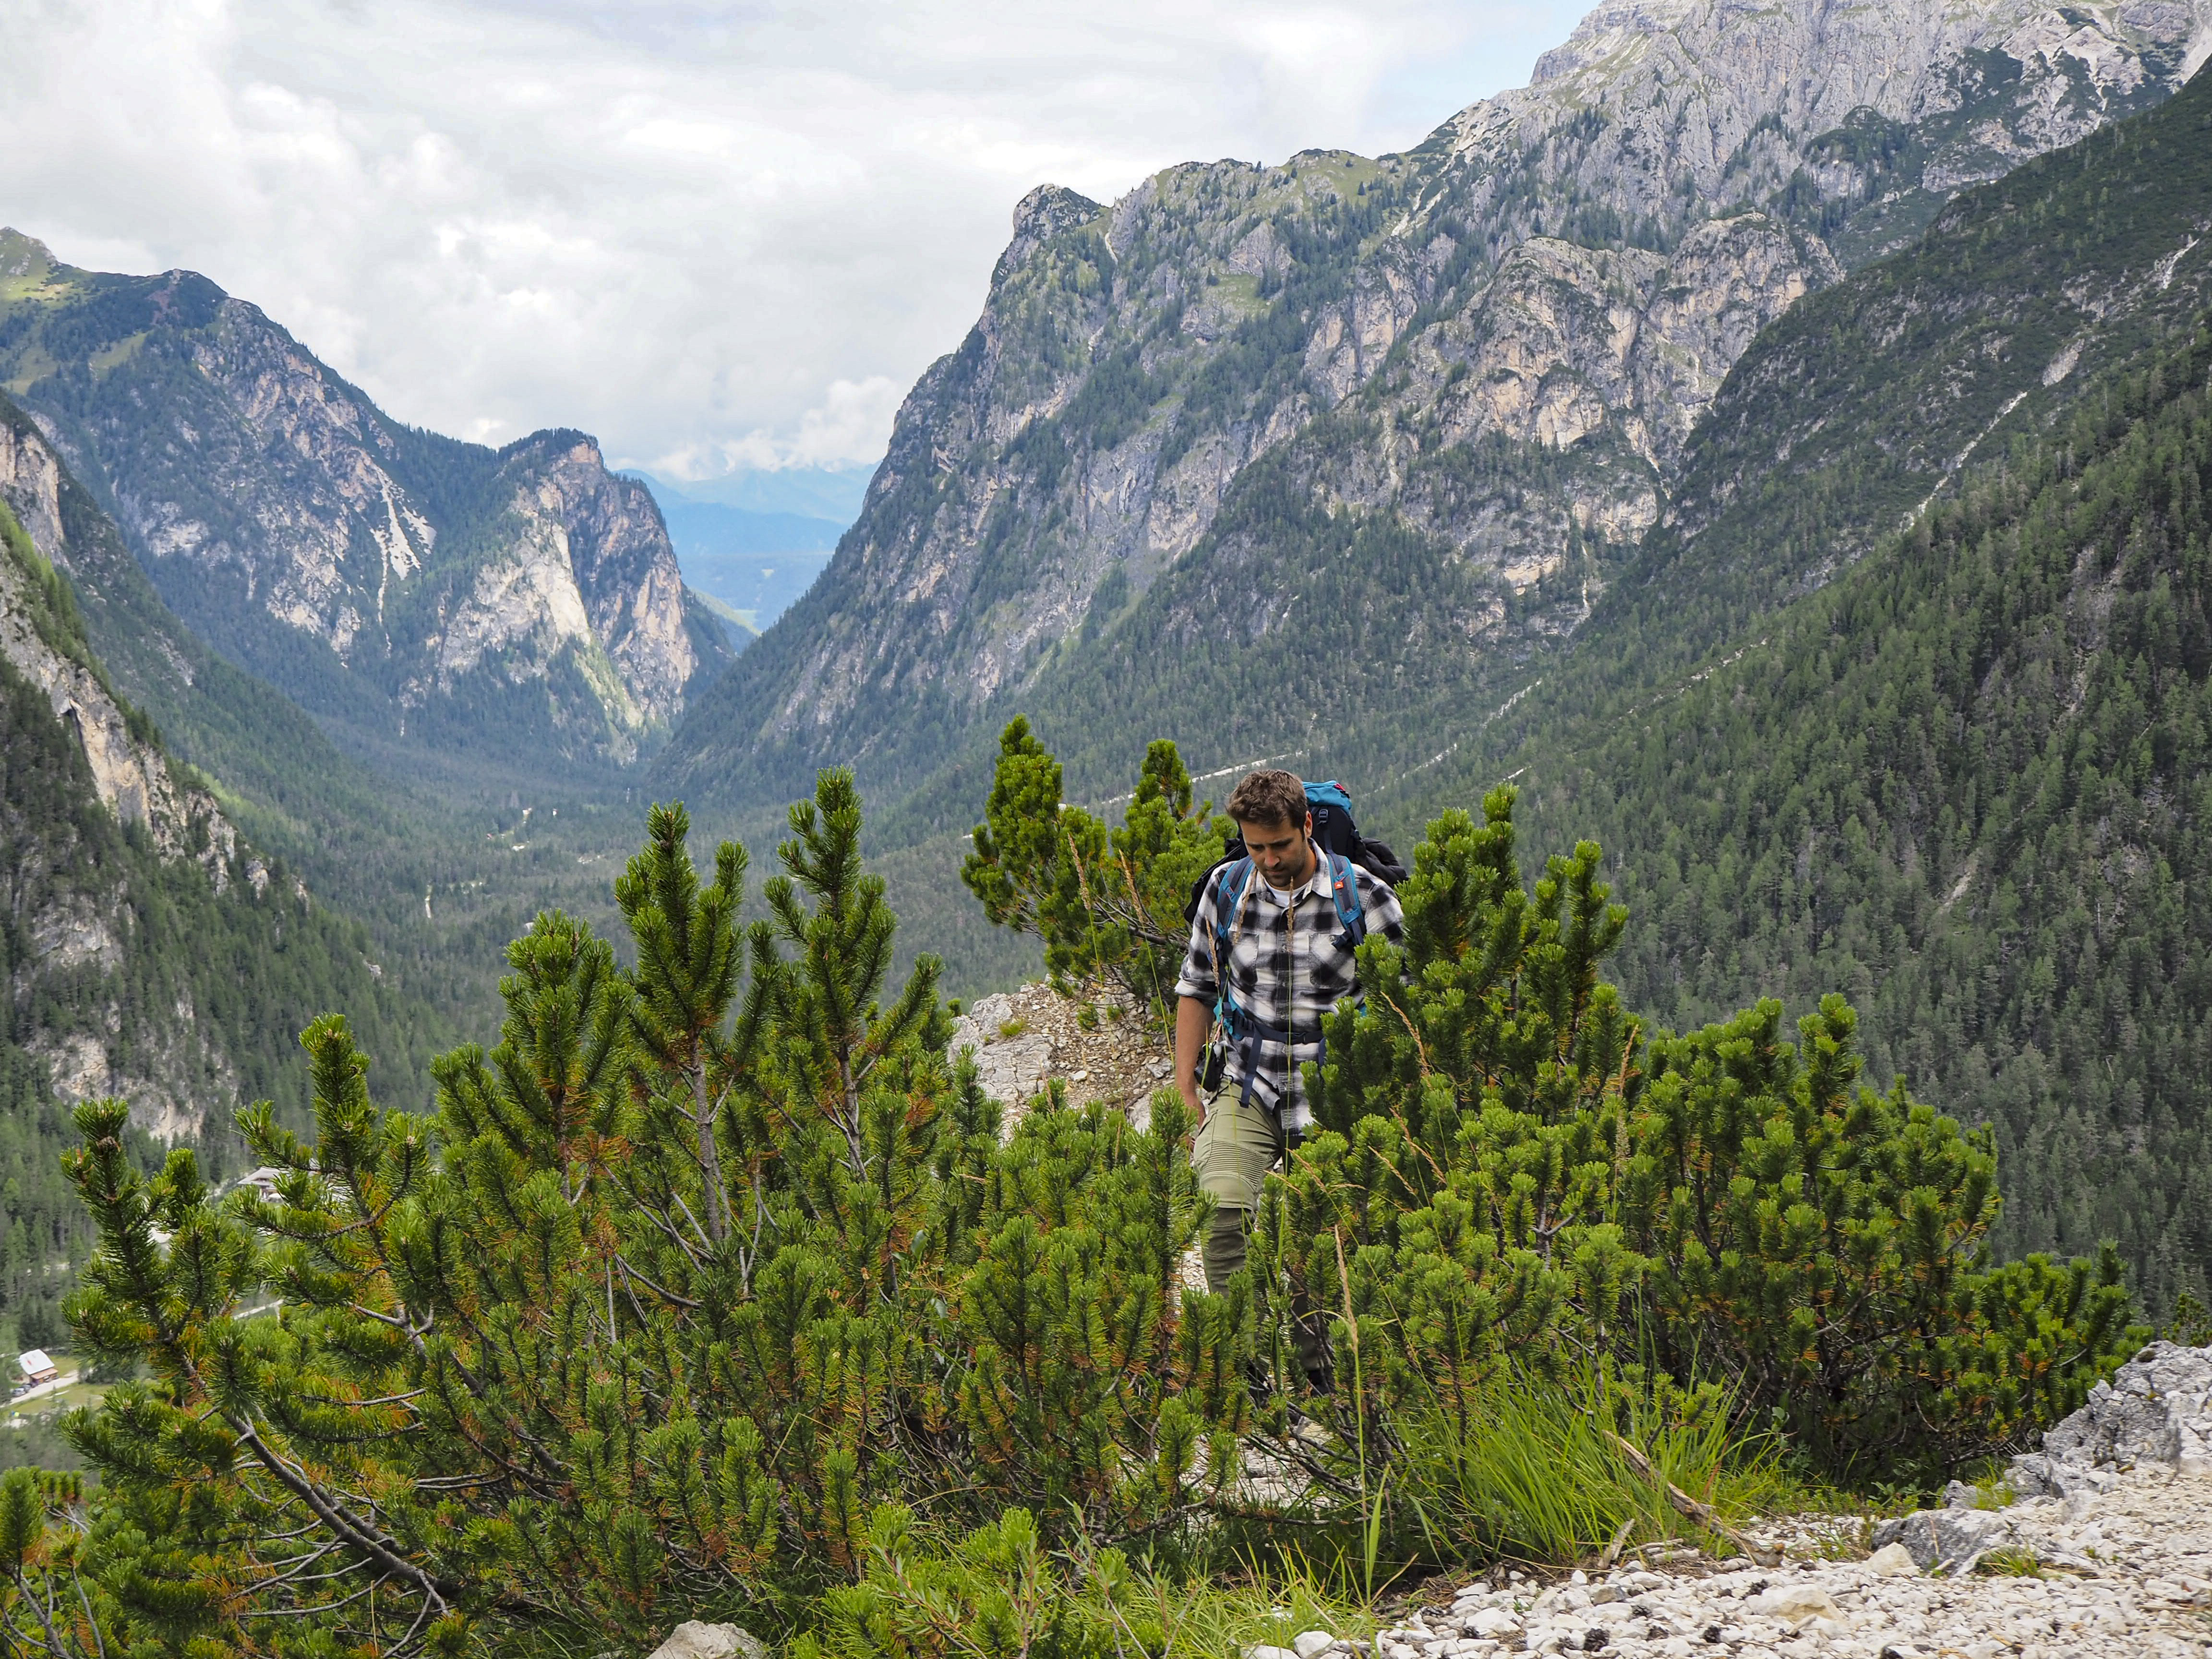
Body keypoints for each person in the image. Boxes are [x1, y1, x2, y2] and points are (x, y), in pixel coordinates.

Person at [1172, 769, 1405, 1387]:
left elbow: (1405, 1002)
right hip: (1248, 1076)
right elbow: (1196, 983)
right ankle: (1243, 1362)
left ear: (1307, 826)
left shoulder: (1364, 898)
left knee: (1316, 1238)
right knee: (1220, 1209)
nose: (1270, 860)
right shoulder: (1225, 890)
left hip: (1334, 1091)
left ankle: (1318, 1376)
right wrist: (1185, 1083)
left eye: (1280, 845)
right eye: (1256, 847)